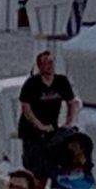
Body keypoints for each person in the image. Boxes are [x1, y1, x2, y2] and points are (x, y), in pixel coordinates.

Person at [18, 51, 79, 179]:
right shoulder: (32, 83)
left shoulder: (61, 81)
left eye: (51, 62)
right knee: (36, 170)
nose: (49, 65)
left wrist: (68, 122)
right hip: (32, 132)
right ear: (40, 66)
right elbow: (26, 108)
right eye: (45, 63)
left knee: (52, 165)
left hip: (51, 129)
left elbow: (71, 102)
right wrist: (40, 125)